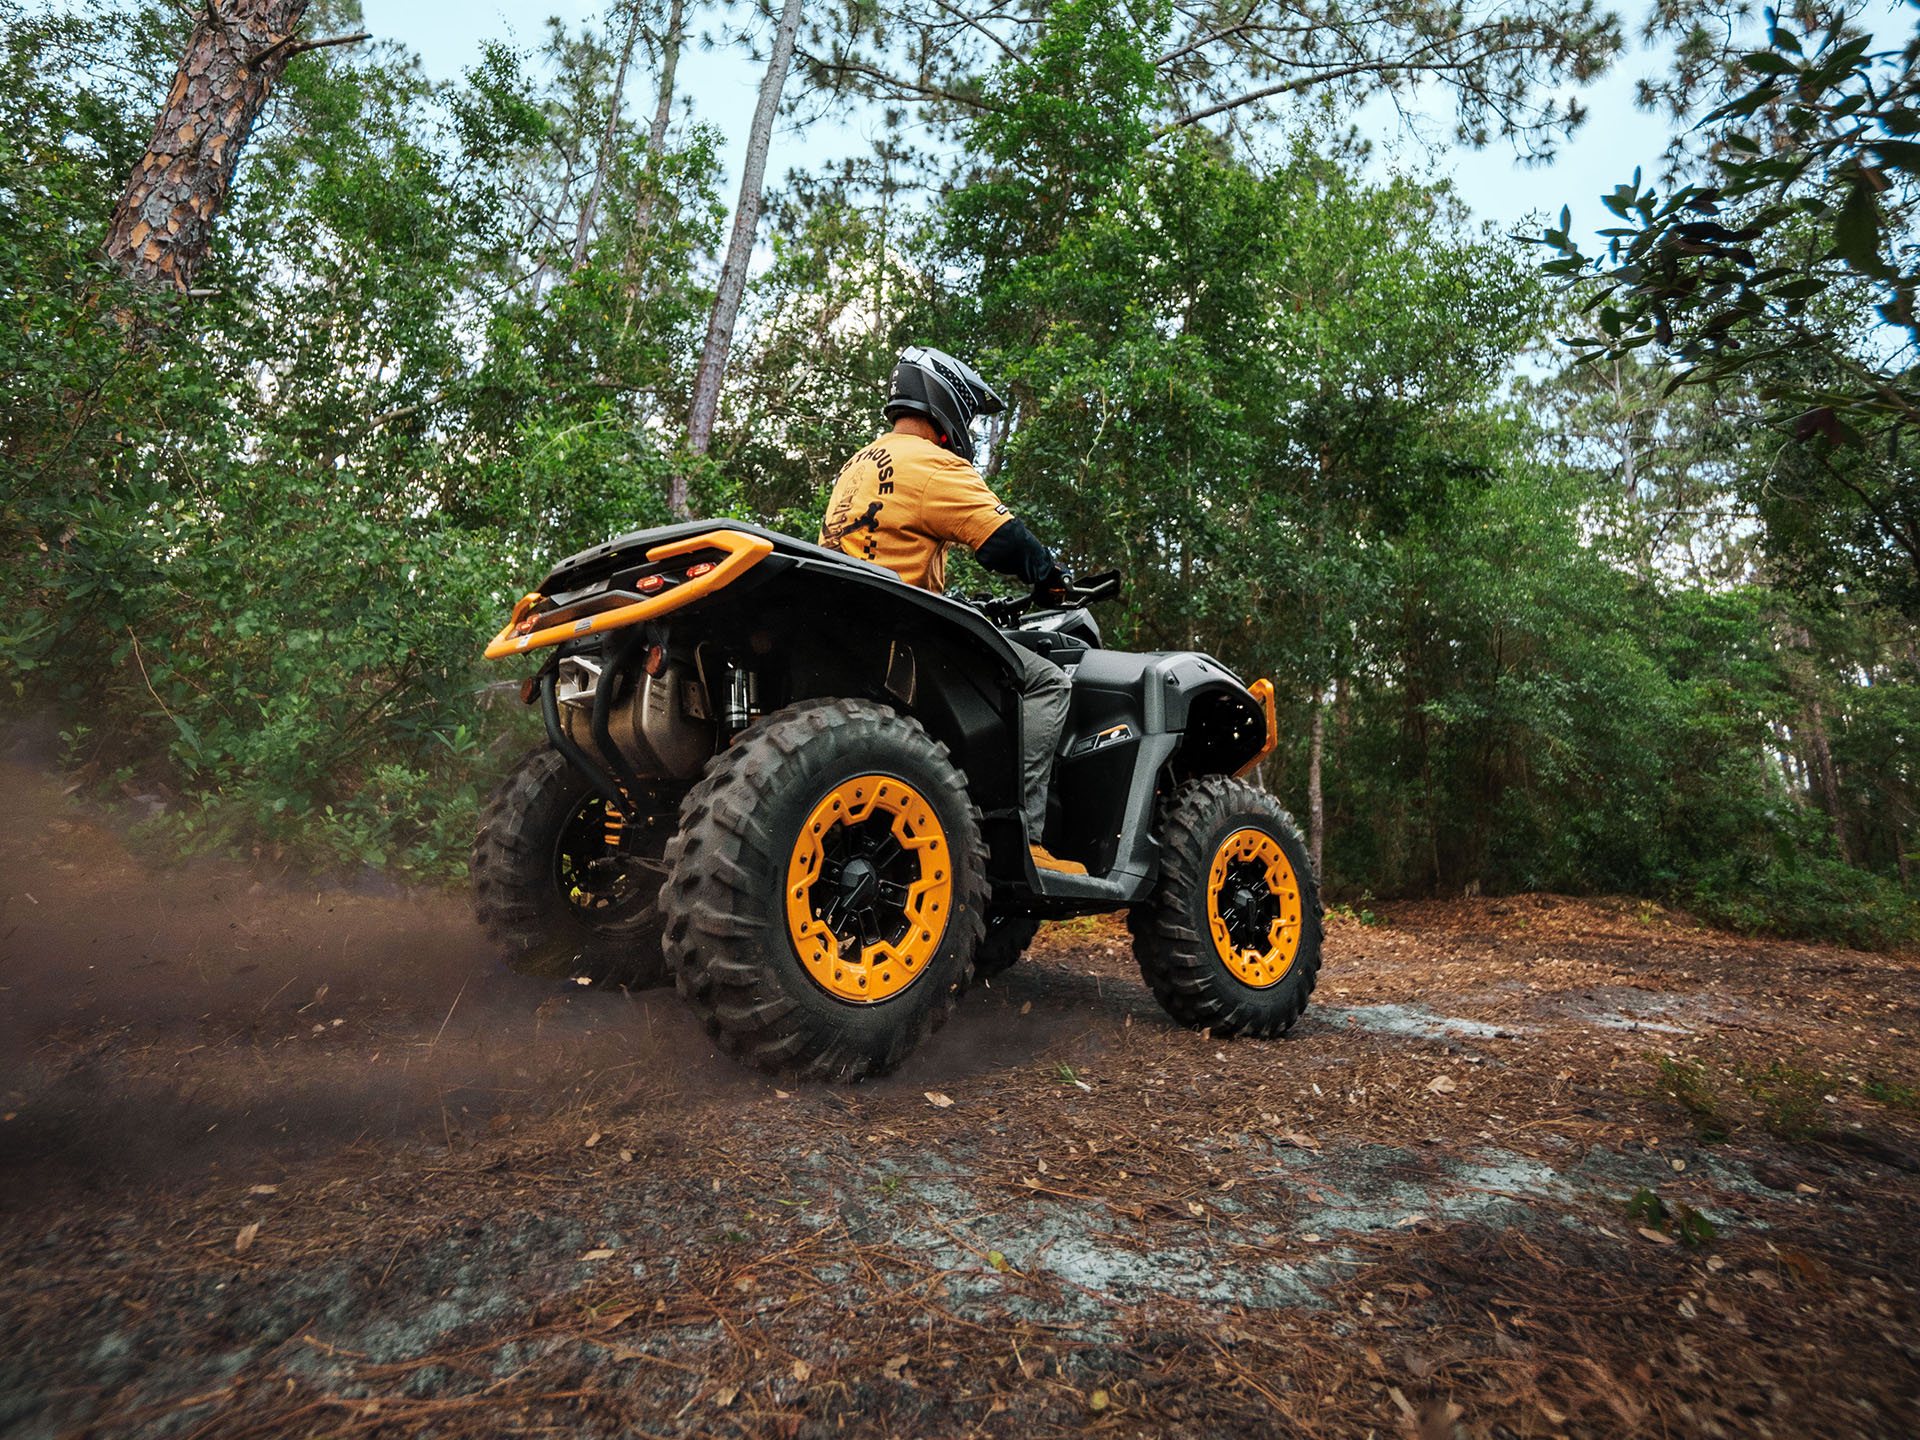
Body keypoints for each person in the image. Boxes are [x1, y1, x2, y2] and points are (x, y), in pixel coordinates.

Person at [819, 345, 1085, 876]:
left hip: (849, 625)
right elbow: (1006, 541)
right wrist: (1051, 579)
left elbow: (883, 545)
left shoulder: (859, 463)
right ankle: (1023, 839)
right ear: (946, 404)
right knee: (1046, 683)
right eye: (967, 415)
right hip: (904, 637)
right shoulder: (933, 464)